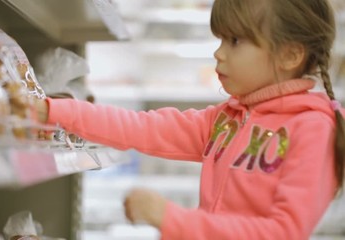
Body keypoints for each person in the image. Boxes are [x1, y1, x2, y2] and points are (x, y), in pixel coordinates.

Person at [35, 0, 345, 239]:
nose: (219, 53)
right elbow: (142, 128)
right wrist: (54, 110)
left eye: (235, 41)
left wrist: (171, 218)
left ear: (290, 55)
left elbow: (282, 232)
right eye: (220, 40)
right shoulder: (226, 120)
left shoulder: (313, 129)